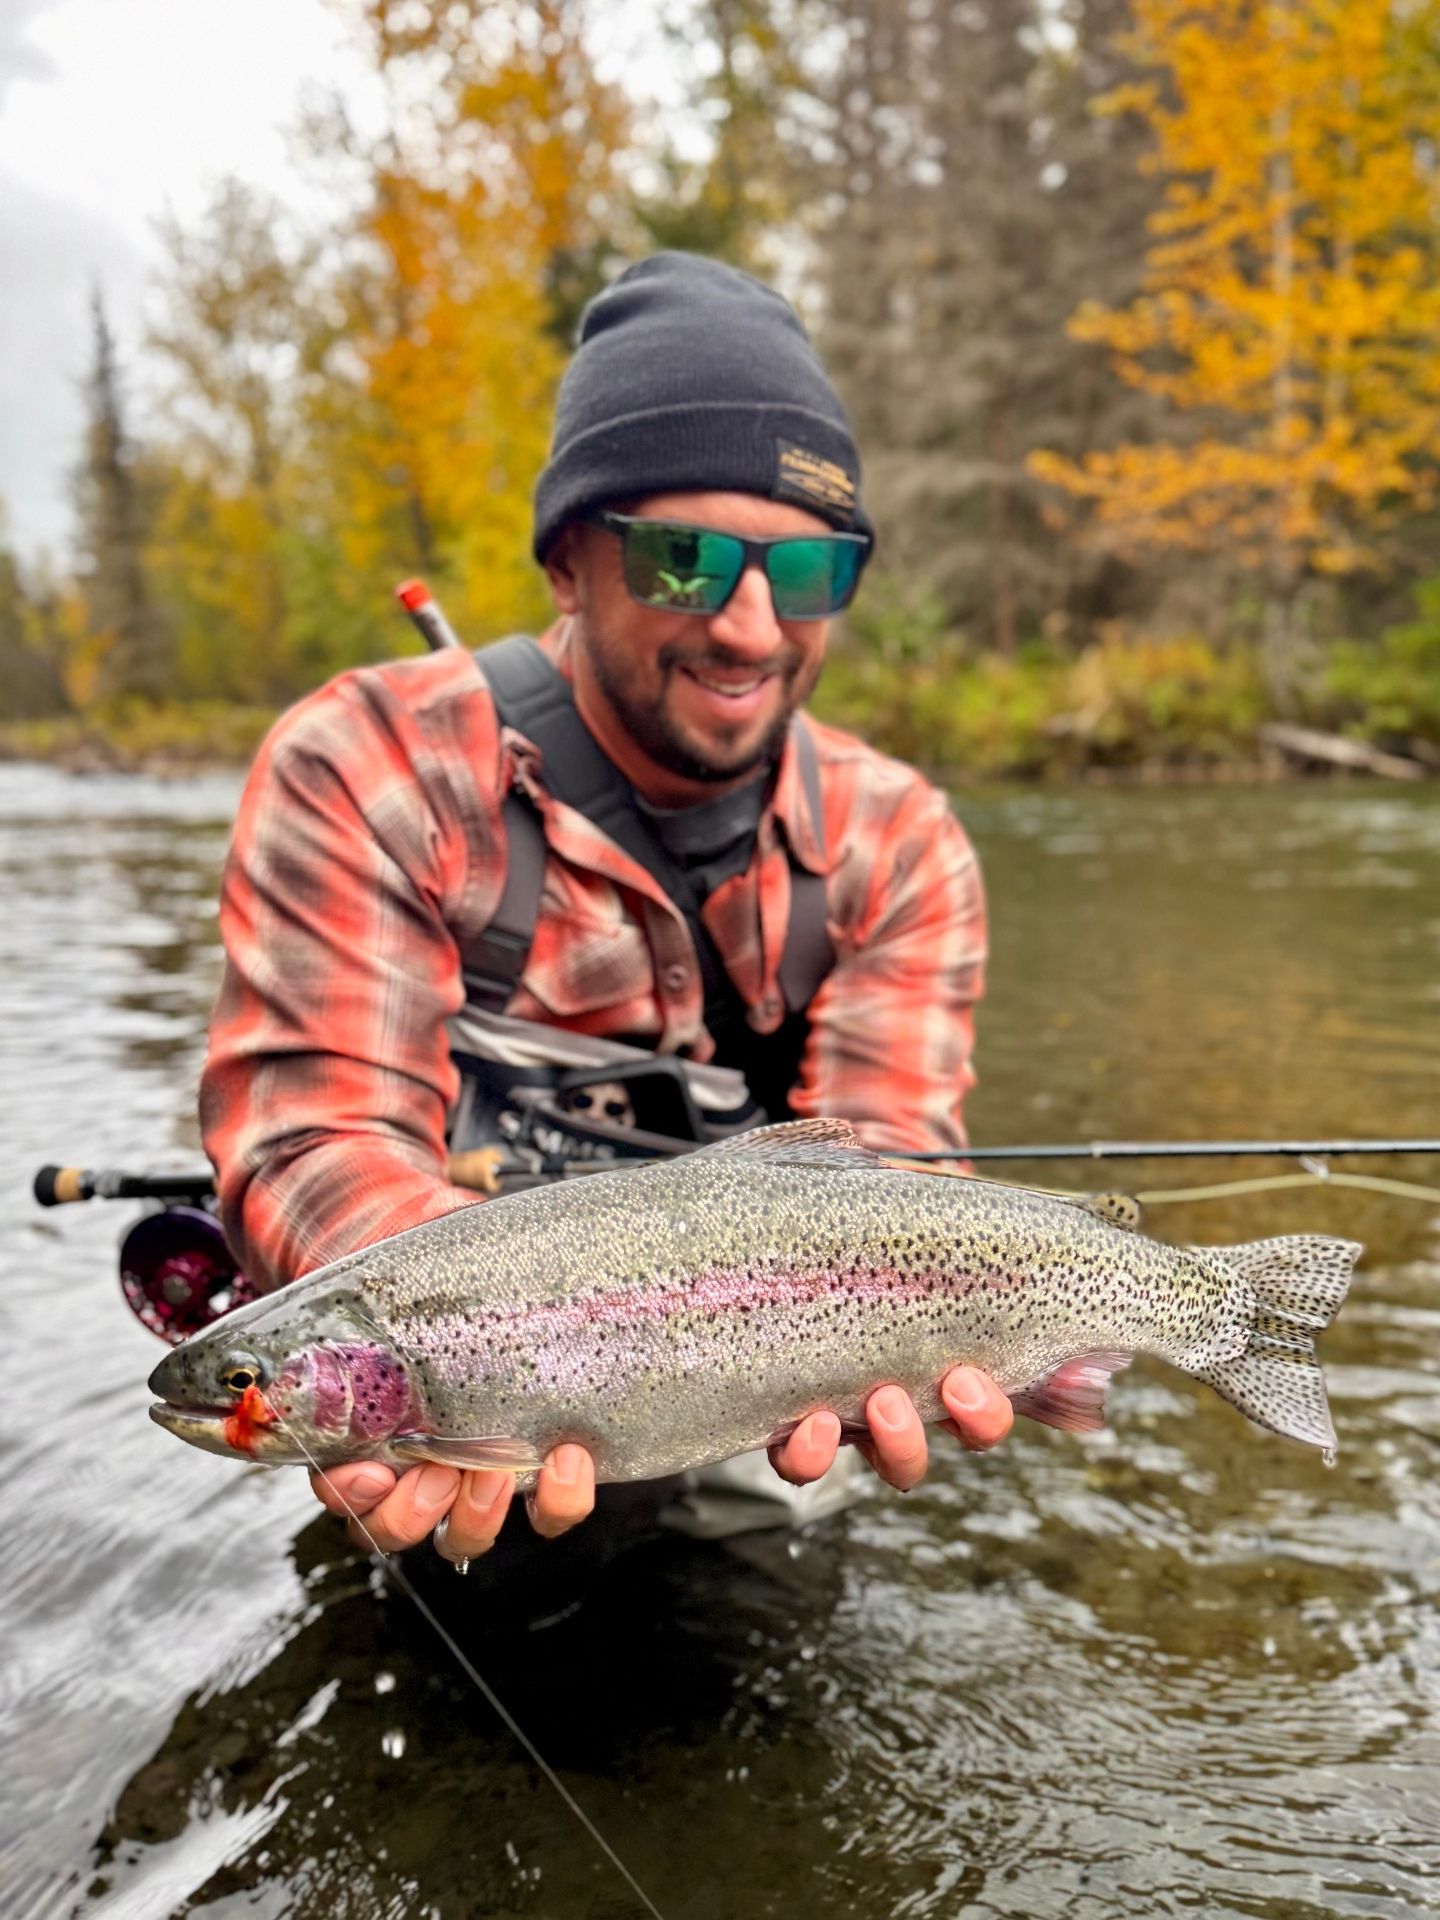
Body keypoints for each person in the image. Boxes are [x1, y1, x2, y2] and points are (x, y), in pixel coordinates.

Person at [200, 251, 1013, 1578]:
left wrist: (928, 1340)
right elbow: (313, 1131)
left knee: (760, 1644)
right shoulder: (367, 765)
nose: (753, 626)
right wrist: (456, 1359)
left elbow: (896, 1173)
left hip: (767, 1388)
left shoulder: (900, 840)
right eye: (686, 560)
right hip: (467, 1415)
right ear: (571, 561)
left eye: (807, 570)